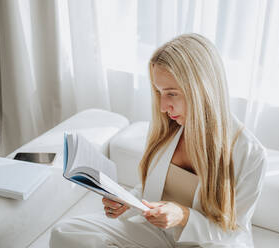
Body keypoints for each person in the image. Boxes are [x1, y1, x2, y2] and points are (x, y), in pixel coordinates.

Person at [50, 33, 267, 248]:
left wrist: (183, 216)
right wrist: (127, 202)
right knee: (66, 232)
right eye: (159, 92)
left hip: (208, 242)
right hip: (159, 234)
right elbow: (150, 190)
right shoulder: (168, 128)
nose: (163, 107)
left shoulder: (249, 153)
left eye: (172, 94)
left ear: (202, 89)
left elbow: (232, 230)